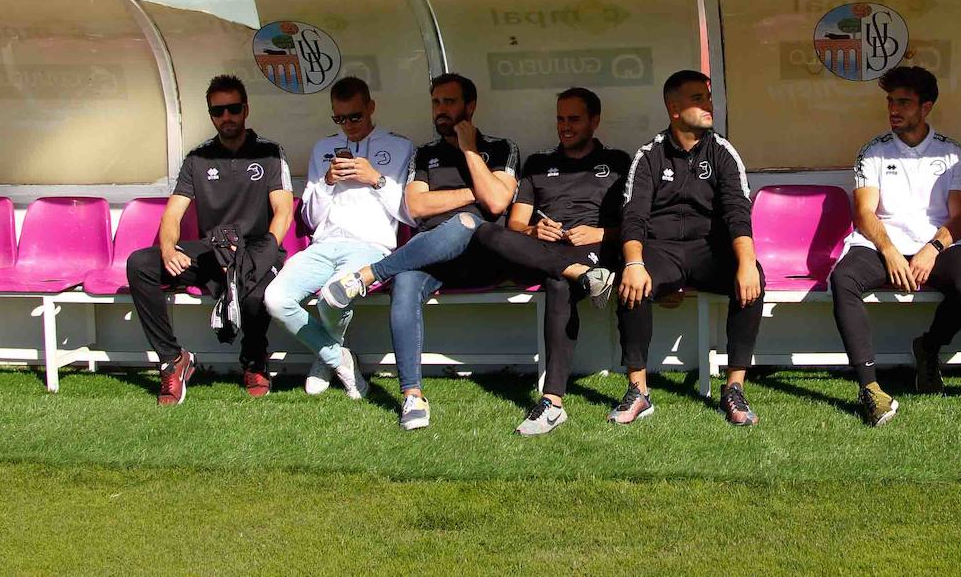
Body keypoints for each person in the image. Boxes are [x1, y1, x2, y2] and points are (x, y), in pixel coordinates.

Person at [320, 73, 516, 430]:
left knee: (465, 225)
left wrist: (469, 149)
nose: (440, 109)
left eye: (449, 102)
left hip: (483, 258)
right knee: (407, 282)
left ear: (469, 107)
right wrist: (476, 195)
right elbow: (416, 206)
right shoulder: (425, 153)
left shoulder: (501, 148)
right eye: (436, 102)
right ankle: (412, 396)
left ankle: (372, 274)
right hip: (429, 257)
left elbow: (499, 201)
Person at [467, 88, 629, 436]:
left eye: (574, 119)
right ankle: (583, 277)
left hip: (588, 249)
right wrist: (534, 229)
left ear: (594, 121)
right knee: (483, 232)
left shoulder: (618, 162)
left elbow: (634, 225)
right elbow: (514, 225)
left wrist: (599, 234)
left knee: (559, 284)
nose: (565, 126)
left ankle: (552, 403)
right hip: (545, 252)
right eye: (560, 119)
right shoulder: (539, 163)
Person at [126, 75, 293, 406]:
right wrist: (168, 248)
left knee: (256, 292)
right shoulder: (197, 158)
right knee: (140, 264)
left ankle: (255, 361)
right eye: (218, 111)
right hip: (212, 251)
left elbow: (283, 212)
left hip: (257, 248)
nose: (226, 117)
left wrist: (262, 255)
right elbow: (172, 215)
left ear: (245, 109)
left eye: (233, 108)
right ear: (211, 115)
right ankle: (173, 359)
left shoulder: (270, 153)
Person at [830, 67, 961, 426]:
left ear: (926, 107)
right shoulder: (873, 151)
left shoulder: (953, 154)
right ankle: (870, 387)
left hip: (936, 244)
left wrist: (933, 248)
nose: (894, 109)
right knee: (843, 281)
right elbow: (864, 213)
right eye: (890, 102)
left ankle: (929, 347)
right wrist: (889, 250)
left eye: (904, 102)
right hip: (884, 245)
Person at [612, 70, 765, 427]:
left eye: (708, 98)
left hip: (708, 249)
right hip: (661, 249)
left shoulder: (724, 152)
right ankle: (639, 390)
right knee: (632, 282)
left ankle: (734, 387)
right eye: (698, 99)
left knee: (752, 277)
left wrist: (746, 263)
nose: (708, 105)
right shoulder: (648, 155)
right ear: (675, 108)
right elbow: (633, 216)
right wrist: (634, 262)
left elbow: (738, 214)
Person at [263, 77, 416, 401]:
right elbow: (310, 217)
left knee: (331, 298)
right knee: (275, 298)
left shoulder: (400, 146)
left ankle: (325, 356)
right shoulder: (322, 148)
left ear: (371, 108)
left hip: (372, 246)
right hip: (324, 244)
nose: (348, 125)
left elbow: (408, 213)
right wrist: (328, 182)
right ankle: (338, 357)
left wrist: (374, 179)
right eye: (340, 119)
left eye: (355, 117)